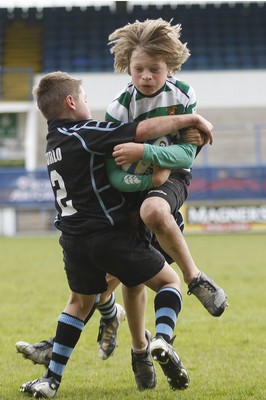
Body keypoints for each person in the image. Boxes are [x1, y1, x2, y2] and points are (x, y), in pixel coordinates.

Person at [19, 71, 214, 398]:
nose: (87, 105)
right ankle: (162, 338)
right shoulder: (83, 131)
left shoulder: (53, 144)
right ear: (71, 102)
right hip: (108, 234)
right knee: (168, 282)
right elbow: (138, 130)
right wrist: (190, 118)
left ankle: (50, 380)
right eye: (83, 99)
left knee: (78, 304)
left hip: (71, 239)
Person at [106, 18, 227, 317]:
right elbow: (114, 172)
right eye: (138, 69)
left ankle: (195, 278)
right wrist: (149, 178)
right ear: (127, 65)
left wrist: (145, 152)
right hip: (135, 185)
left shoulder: (183, 95)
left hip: (173, 178)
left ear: (169, 67)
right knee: (111, 275)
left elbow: (186, 155)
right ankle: (110, 319)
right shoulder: (119, 109)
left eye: (155, 69)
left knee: (154, 212)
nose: (146, 76)